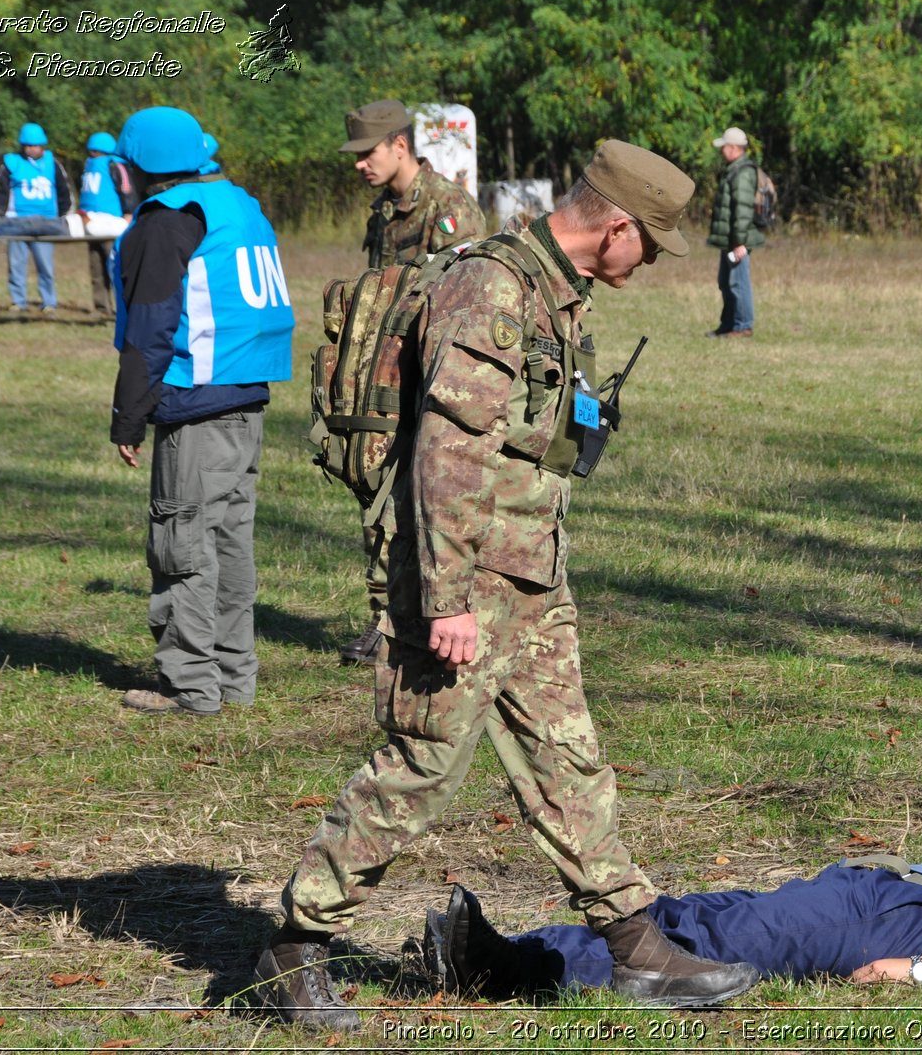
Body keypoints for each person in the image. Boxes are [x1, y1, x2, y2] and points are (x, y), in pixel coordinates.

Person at [253, 140, 759, 1030]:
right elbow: (449, 454)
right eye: (650, 244)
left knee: (568, 757)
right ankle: (292, 947)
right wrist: (443, 598)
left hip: (528, 576)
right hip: (465, 580)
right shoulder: (492, 290)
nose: (651, 264)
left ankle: (637, 949)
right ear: (614, 227)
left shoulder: (554, 292)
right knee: (420, 766)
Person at [429, 837, 922, 998]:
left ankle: (506, 973)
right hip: (885, 895)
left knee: (724, 939)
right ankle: (510, 953)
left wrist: (912, 970)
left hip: (908, 924)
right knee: (690, 913)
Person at [108, 107, 293, 717]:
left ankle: (191, 684)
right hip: (245, 401)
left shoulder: (165, 223)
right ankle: (234, 676)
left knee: (182, 545)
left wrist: (128, 417)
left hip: (196, 408)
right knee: (229, 544)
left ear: (134, 166)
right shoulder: (235, 203)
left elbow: (152, 328)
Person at [331, 98, 485, 668]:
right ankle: (385, 617)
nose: (359, 164)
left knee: (424, 496)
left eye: (367, 153)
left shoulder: (449, 210)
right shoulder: (383, 210)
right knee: (375, 488)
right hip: (385, 372)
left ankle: (417, 618)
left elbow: (468, 296)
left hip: (431, 374)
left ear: (400, 145)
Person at [0, 123, 72, 313]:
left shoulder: (53, 163)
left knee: (45, 265)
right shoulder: (11, 163)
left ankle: (49, 302)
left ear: (42, 145)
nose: (31, 149)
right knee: (16, 264)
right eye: (27, 145)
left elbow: (64, 191)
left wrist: (63, 218)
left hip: (46, 223)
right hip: (16, 222)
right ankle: (18, 301)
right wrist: (1, 219)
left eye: (35, 145)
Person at [705, 126, 764, 338]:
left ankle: (743, 326)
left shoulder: (742, 173)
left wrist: (741, 243)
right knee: (725, 281)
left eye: (724, 147)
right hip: (731, 239)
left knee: (738, 283)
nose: (722, 152)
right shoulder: (735, 170)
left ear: (733, 148)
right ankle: (728, 325)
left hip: (738, 240)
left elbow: (743, 209)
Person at [78, 131, 137, 316]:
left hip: (110, 225)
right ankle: (101, 307)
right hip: (90, 222)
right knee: (96, 268)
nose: (92, 154)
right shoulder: (89, 166)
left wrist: (128, 213)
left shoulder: (115, 165)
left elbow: (126, 190)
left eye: (95, 151)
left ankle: (124, 308)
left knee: (115, 268)